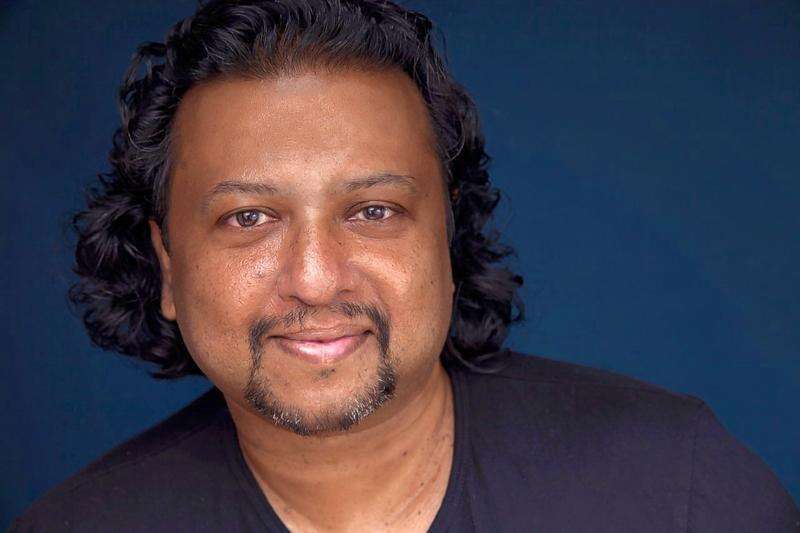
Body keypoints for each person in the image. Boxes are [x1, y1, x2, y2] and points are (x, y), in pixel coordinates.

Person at [11, 1, 799, 531]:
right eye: (249, 218)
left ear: (448, 236)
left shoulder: (680, 489)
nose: (316, 277)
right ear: (167, 265)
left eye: (373, 210)